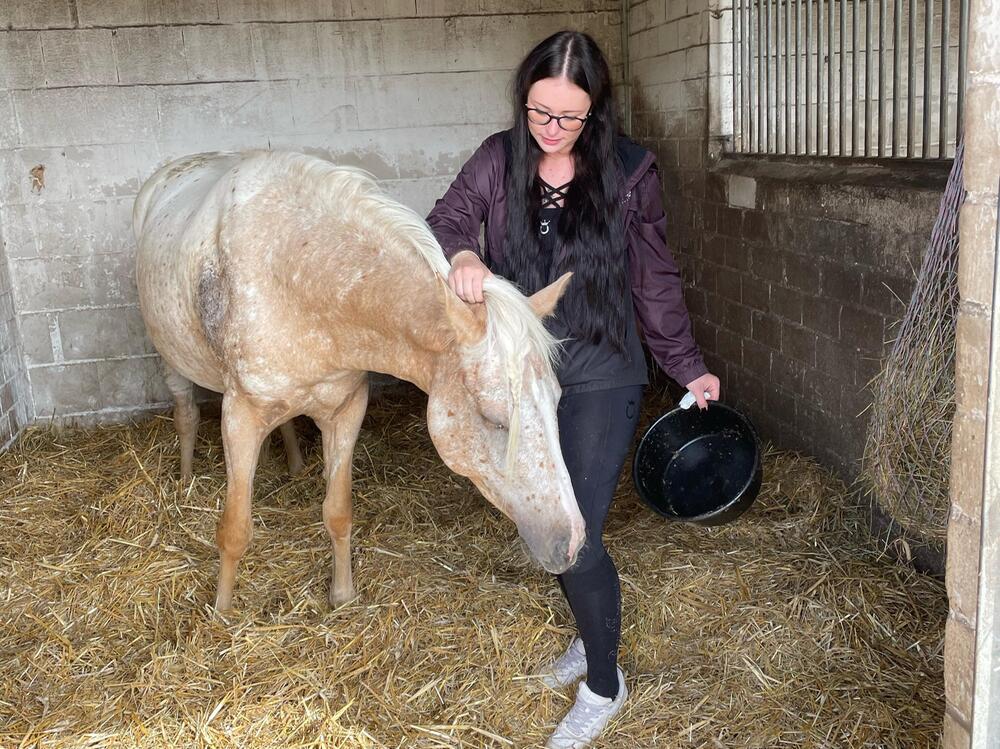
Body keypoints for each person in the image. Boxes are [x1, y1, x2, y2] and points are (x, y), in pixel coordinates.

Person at [426, 30, 720, 749]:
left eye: (568, 118)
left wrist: (686, 364)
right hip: (527, 376)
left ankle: (604, 683)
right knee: (545, 521)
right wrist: (463, 254)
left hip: (602, 367)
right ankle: (592, 641)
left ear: (596, 113)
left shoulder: (627, 170)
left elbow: (653, 278)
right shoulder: (500, 158)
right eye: (538, 112)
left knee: (575, 533)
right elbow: (446, 218)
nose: (551, 130)